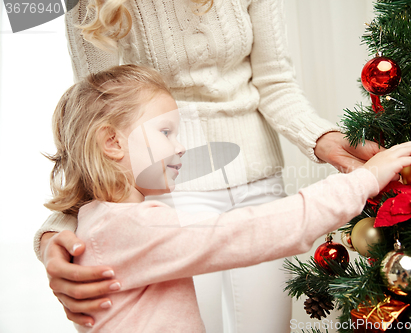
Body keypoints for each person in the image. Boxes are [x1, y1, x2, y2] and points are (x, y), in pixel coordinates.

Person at [35, 0, 387, 331]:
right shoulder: (93, 6)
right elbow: (97, 126)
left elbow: (275, 82)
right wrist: (56, 235)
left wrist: (320, 136)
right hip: (168, 189)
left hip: (260, 178)